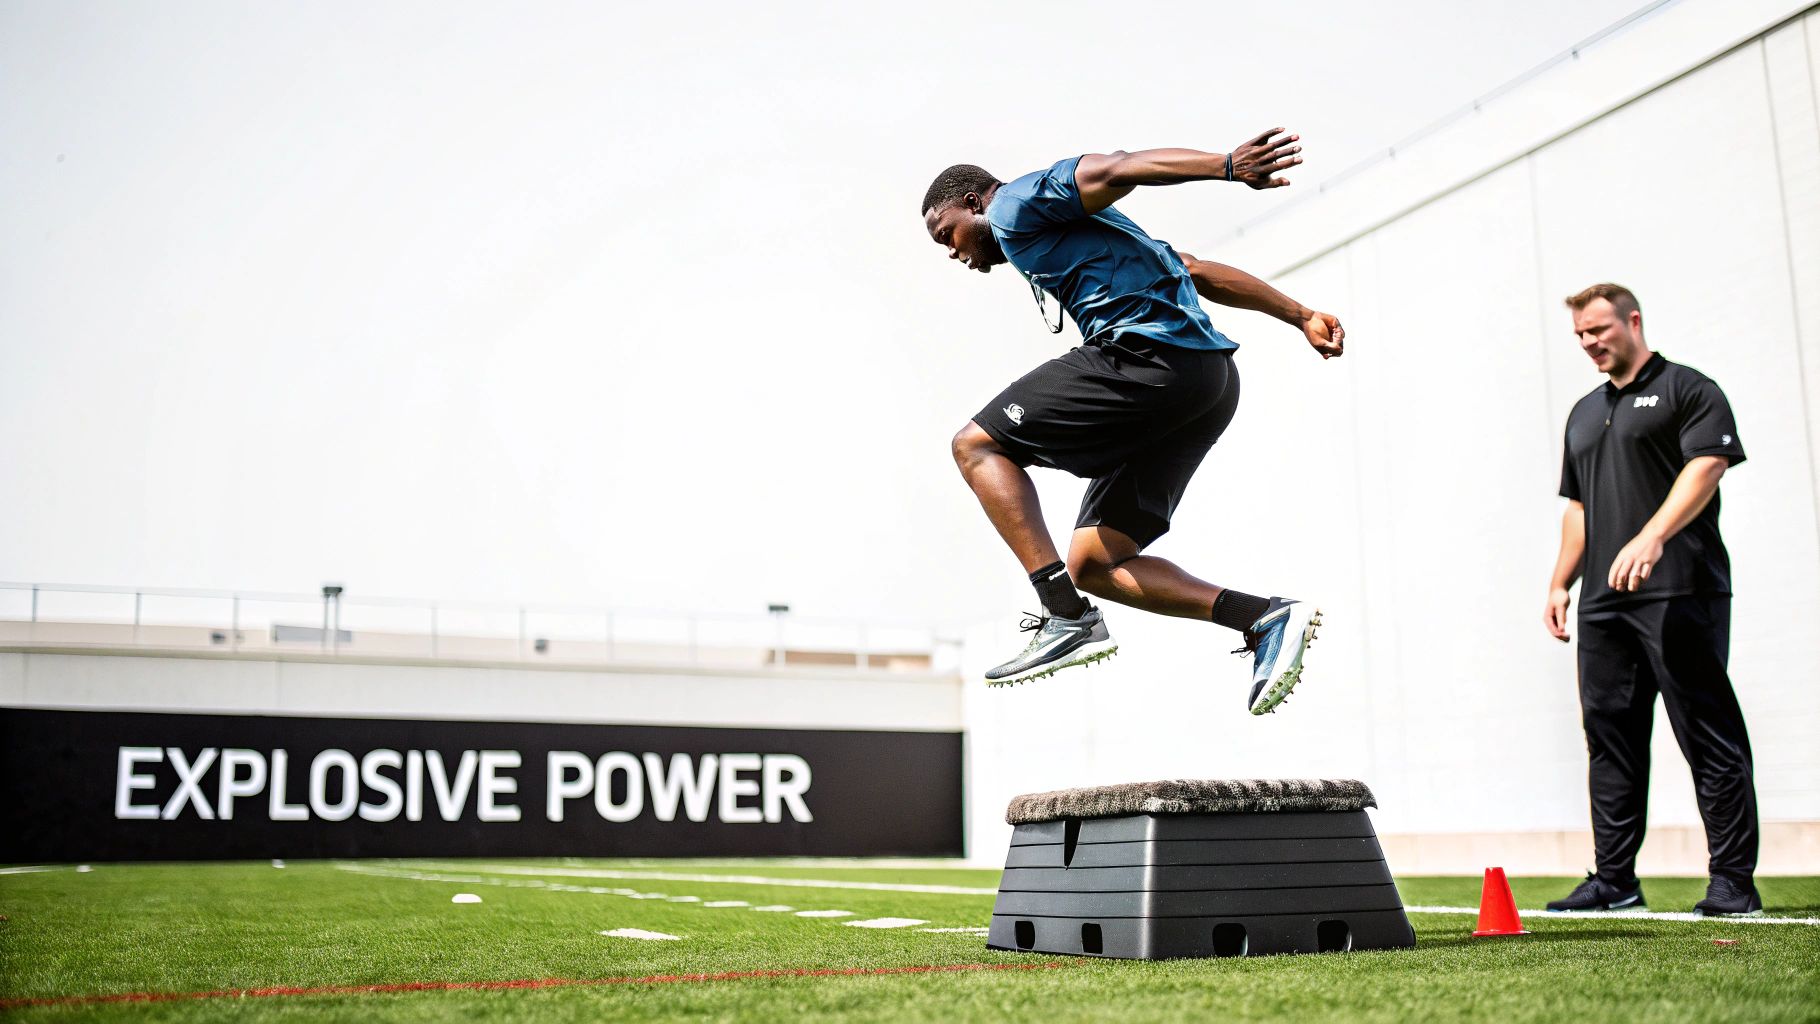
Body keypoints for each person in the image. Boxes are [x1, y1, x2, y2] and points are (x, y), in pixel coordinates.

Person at [921, 130, 1344, 713]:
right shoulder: (1092, 238)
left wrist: (1225, 165)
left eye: (947, 234)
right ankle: (1263, 617)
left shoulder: (1015, 205)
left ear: (974, 203)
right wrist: (1299, 315)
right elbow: (1193, 269)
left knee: (975, 446)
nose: (952, 251)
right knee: (1095, 562)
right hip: (1209, 384)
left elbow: (1120, 168)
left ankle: (1064, 615)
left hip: (1149, 360)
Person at [1543, 283, 1761, 917]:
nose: (1590, 343)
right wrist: (1560, 581)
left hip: (1680, 586)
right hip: (1604, 603)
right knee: (1609, 736)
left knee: (1706, 730)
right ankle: (1615, 880)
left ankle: (1733, 881)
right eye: (1581, 334)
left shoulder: (1689, 390)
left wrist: (1653, 535)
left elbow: (1707, 465)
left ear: (1632, 321)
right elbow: (1578, 507)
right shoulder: (1584, 412)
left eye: (1599, 330)